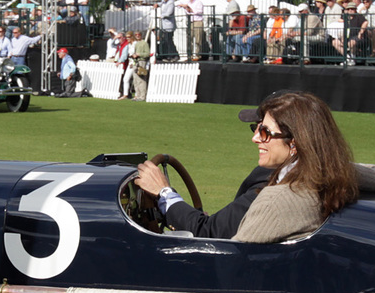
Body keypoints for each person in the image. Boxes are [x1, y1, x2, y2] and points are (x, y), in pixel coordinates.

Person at [134, 91, 358, 243]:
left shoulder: (275, 196)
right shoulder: (329, 177)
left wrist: (164, 193)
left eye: (264, 132)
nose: (255, 138)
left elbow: (208, 233)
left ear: (295, 143)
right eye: (256, 128)